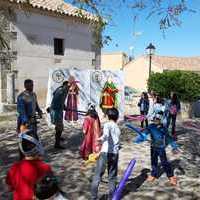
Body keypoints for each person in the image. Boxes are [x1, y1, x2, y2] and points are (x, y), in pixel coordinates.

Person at [134, 110, 179, 186]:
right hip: (153, 147)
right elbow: (144, 133)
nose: (155, 120)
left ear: (161, 120)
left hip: (161, 148)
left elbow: (169, 138)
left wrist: (174, 146)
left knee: (164, 162)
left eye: (157, 119)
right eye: (155, 119)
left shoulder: (163, 128)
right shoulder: (151, 126)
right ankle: (154, 174)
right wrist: (139, 139)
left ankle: (171, 176)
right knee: (154, 162)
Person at [6, 129, 52, 200]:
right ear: (38, 145)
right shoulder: (45, 168)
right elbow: (49, 193)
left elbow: (10, 187)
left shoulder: (14, 168)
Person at [91, 108, 120, 200]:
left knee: (97, 176)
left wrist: (100, 139)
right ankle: (112, 197)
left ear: (108, 116)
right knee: (112, 177)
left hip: (106, 153)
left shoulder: (108, 124)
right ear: (117, 117)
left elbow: (106, 135)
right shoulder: (117, 127)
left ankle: (93, 197)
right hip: (115, 154)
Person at [49, 81, 69, 149]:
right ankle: (57, 144)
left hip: (58, 111)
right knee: (59, 127)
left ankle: (58, 138)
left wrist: (64, 106)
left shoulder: (63, 90)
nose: (69, 87)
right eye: (68, 86)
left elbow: (60, 99)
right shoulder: (61, 91)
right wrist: (52, 108)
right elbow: (56, 99)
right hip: (56, 111)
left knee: (59, 126)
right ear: (65, 85)